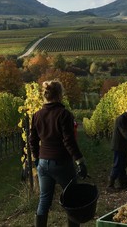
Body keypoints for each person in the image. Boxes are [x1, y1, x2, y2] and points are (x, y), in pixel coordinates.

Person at [29, 80, 87, 227]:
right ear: (60, 95)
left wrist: (36, 158)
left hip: (43, 163)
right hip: (61, 163)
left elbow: (33, 140)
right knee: (72, 198)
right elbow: (69, 141)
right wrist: (80, 161)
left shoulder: (37, 115)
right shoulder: (64, 114)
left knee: (44, 199)